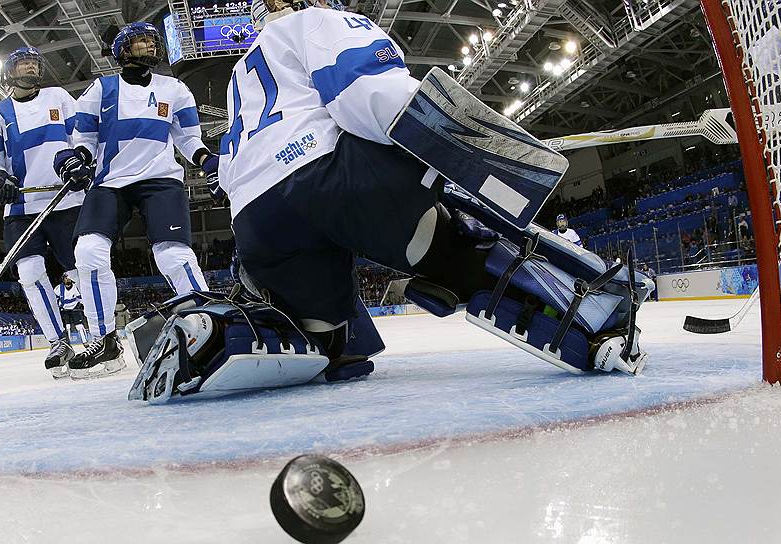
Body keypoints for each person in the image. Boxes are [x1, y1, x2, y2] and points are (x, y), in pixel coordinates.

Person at [191, 0, 648, 398]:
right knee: (457, 243)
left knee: (330, 339)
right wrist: (473, 161)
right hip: (330, 177)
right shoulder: (313, 22)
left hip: (255, 221)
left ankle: (297, 330)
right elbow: (373, 95)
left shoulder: (239, 77)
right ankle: (592, 324)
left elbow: (229, 172)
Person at [54, 22, 216, 379]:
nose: (149, 46)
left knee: (172, 254)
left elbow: (189, 140)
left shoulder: (175, 89)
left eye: (151, 41)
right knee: (88, 252)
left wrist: (207, 161)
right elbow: (82, 137)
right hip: (110, 183)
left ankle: (210, 324)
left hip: (160, 181)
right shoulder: (101, 88)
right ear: (122, 51)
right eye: (140, 41)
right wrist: (74, 160)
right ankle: (104, 342)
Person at [0, 46, 85, 379]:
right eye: (22, 62)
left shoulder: (59, 97)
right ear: (10, 72)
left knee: (85, 268)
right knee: (30, 273)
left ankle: (100, 338)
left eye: (34, 63)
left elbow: (82, 133)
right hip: (22, 208)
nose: (30, 68)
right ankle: (58, 341)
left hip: (67, 200)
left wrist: (79, 161)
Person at [55, 273, 91, 347]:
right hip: (65, 310)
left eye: (69, 278)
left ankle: (85, 342)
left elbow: (81, 298)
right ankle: (67, 344)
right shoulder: (58, 288)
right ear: (63, 279)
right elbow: (54, 299)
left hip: (75, 308)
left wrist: (85, 306)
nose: (67, 280)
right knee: (67, 327)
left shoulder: (76, 287)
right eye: (66, 278)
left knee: (79, 326)